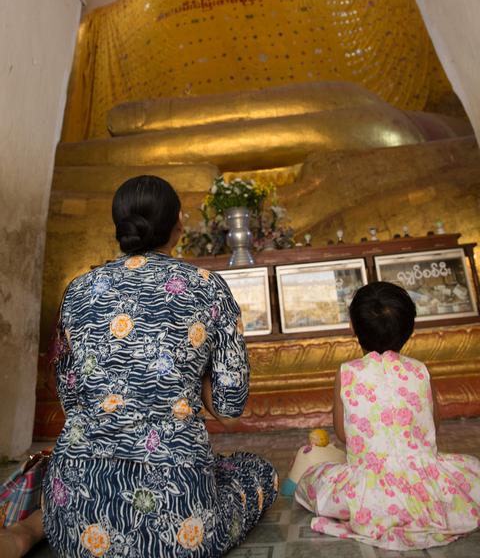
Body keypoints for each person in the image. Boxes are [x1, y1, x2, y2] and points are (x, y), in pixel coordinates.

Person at [1, 174, 277, 557]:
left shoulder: (78, 290)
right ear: (178, 224)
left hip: (76, 517)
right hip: (181, 525)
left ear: (120, 227)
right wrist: (186, 378)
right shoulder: (208, 286)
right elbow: (231, 408)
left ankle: (33, 528)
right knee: (256, 471)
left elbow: (69, 399)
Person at [295, 281, 480, 550]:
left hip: (368, 491)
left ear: (353, 328)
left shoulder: (348, 372)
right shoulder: (419, 370)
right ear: (410, 329)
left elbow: (344, 434)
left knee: (311, 480)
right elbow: (434, 425)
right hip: (424, 483)